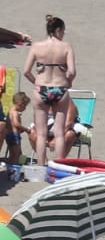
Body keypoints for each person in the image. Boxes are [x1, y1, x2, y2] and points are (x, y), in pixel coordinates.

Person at [23, 15, 74, 165]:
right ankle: (58, 167)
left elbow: (26, 71)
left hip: (41, 88)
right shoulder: (66, 47)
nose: (63, 34)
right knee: (59, 133)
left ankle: (40, 166)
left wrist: (36, 84)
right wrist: (68, 83)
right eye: (63, 31)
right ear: (58, 30)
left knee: (41, 134)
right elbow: (72, 71)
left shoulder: (37, 46)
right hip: (60, 88)